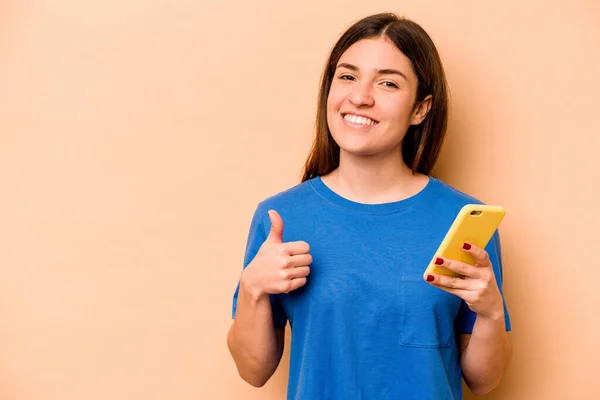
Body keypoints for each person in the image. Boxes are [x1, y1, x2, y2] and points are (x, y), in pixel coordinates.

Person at [227, 12, 512, 400]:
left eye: (388, 83)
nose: (360, 96)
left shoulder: (460, 221)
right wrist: (252, 289)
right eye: (347, 76)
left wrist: (491, 312)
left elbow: (483, 381)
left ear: (420, 109)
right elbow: (254, 370)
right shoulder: (281, 217)